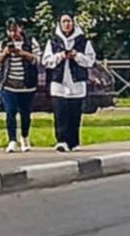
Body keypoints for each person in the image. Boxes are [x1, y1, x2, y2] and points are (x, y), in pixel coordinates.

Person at [42, 13, 99, 153]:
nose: (67, 24)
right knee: (60, 114)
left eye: (69, 21)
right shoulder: (53, 41)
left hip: (77, 84)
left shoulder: (83, 41)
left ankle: (74, 142)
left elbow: (90, 61)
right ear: (59, 24)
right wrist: (60, 56)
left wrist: (76, 56)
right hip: (58, 83)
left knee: (75, 114)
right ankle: (61, 141)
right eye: (64, 21)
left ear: (73, 23)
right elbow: (46, 61)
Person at [0, 21, 41, 152]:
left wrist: (23, 53)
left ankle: (24, 137)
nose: (13, 34)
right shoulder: (3, 44)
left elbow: (38, 60)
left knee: (25, 114)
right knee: (10, 111)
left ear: (21, 29)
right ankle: (12, 140)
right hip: (8, 85)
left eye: (15, 30)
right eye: (10, 31)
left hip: (27, 85)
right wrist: (5, 53)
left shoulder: (30, 42)